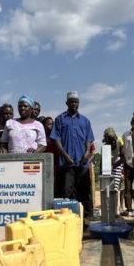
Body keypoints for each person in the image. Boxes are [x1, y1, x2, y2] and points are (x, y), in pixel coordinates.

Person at [50, 92, 95, 220]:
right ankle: (67, 218)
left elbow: (89, 138)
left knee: (85, 191)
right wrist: (64, 154)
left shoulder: (85, 120)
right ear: (67, 103)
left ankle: (88, 217)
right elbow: (56, 138)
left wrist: (87, 152)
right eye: (71, 102)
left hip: (82, 161)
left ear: (79, 103)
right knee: (67, 191)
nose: (74, 104)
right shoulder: (60, 119)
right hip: (66, 162)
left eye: (76, 102)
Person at [102, 128, 126, 217]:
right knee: (107, 188)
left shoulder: (119, 141)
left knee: (115, 188)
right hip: (107, 164)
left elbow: (123, 158)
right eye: (111, 141)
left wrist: (114, 166)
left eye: (114, 140)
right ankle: (107, 209)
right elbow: (104, 160)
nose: (113, 142)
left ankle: (115, 211)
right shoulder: (105, 146)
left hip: (117, 163)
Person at [120, 119, 134, 217]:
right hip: (128, 163)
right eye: (133, 122)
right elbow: (123, 147)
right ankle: (129, 208)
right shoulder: (126, 134)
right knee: (128, 187)